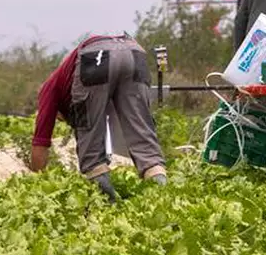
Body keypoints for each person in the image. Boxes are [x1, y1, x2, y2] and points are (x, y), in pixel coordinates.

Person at [30, 34, 167, 202]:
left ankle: (107, 205)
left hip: (97, 56)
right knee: (146, 146)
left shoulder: (49, 91)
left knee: (92, 155)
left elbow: (40, 143)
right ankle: (161, 199)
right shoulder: (68, 80)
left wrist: (37, 185)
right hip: (134, 52)